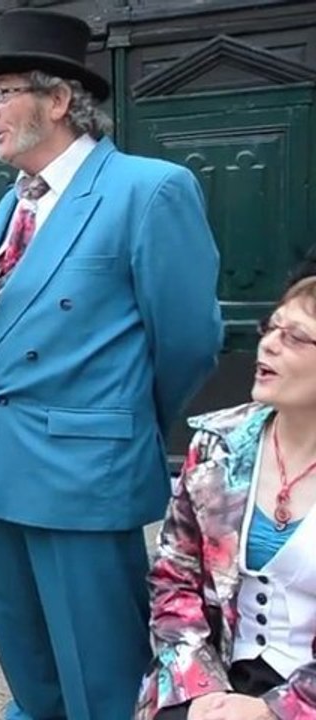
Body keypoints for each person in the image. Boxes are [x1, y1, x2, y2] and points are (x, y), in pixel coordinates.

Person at [0, 9, 222, 720]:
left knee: (100, 680)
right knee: (29, 670)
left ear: (60, 99)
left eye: (2, 91)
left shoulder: (148, 188)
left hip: (81, 475)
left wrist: (116, 421)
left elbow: (190, 340)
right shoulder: (10, 205)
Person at [137, 275, 316, 720]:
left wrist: (274, 711)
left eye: (294, 337)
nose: (269, 345)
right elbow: (172, 579)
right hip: (218, 674)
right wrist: (199, 688)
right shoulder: (219, 446)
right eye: (269, 328)